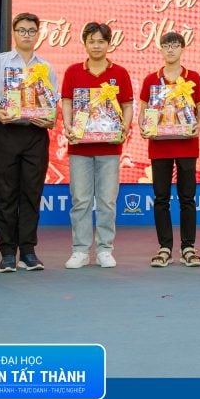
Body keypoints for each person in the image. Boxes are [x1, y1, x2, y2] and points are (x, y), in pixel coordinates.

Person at [0, 12, 58, 273]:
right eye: (22, 30)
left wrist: (50, 120)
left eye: (31, 31)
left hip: (35, 135)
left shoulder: (45, 67)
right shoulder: (0, 62)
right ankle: (7, 252)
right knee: (6, 194)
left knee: (31, 194)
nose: (27, 35)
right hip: (7, 132)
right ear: (14, 33)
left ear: (38, 34)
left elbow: (52, 105)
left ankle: (28, 251)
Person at [60, 22, 134, 269]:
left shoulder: (120, 73)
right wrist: (68, 125)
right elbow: (67, 102)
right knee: (80, 200)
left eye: (101, 41)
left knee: (107, 201)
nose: (96, 46)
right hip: (79, 148)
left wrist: (125, 127)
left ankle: (105, 249)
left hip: (109, 148)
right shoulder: (73, 72)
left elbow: (127, 105)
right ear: (85, 43)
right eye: (91, 41)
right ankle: (80, 250)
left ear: (109, 44)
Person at [138, 31, 200, 268]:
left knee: (187, 198)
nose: (170, 49)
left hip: (187, 144)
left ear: (182, 49)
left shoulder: (193, 77)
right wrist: (143, 126)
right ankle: (165, 247)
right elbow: (143, 110)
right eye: (166, 45)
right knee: (161, 198)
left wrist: (198, 125)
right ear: (160, 49)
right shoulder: (151, 80)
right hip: (159, 146)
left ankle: (188, 247)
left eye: (175, 45)